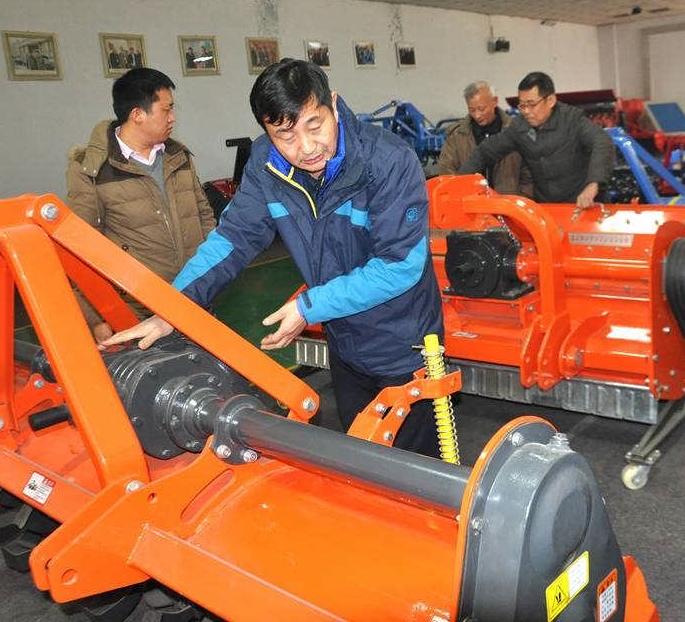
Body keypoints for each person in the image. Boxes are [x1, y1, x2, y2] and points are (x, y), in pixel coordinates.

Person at [102, 59, 444, 457]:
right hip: (345, 340)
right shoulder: (267, 164)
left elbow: (399, 266)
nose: (307, 147)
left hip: (405, 342)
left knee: (414, 467)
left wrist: (308, 307)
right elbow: (233, 238)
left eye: (315, 125)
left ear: (333, 105)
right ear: (267, 130)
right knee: (365, 455)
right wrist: (172, 309)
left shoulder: (388, 161)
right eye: (286, 135)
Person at [66, 67, 215, 342]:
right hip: (136, 310)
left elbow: (203, 215)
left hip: (194, 297)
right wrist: (97, 318)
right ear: (137, 115)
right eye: (166, 109)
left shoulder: (178, 156)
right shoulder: (91, 169)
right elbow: (80, 248)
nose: (173, 117)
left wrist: (210, 275)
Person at [458, 71, 615, 206]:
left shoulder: (572, 119)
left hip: (585, 204)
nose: (526, 111)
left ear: (550, 100)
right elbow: (486, 151)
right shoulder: (520, 127)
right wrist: (456, 184)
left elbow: (602, 142)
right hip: (548, 208)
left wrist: (593, 184)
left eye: (532, 104)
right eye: (522, 105)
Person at [438, 80, 531, 196]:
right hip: (470, 204)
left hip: (509, 204)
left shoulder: (515, 130)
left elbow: (528, 173)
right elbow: (446, 172)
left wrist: (522, 200)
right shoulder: (457, 136)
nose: (477, 115)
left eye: (481, 109)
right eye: (472, 110)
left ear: (495, 101)